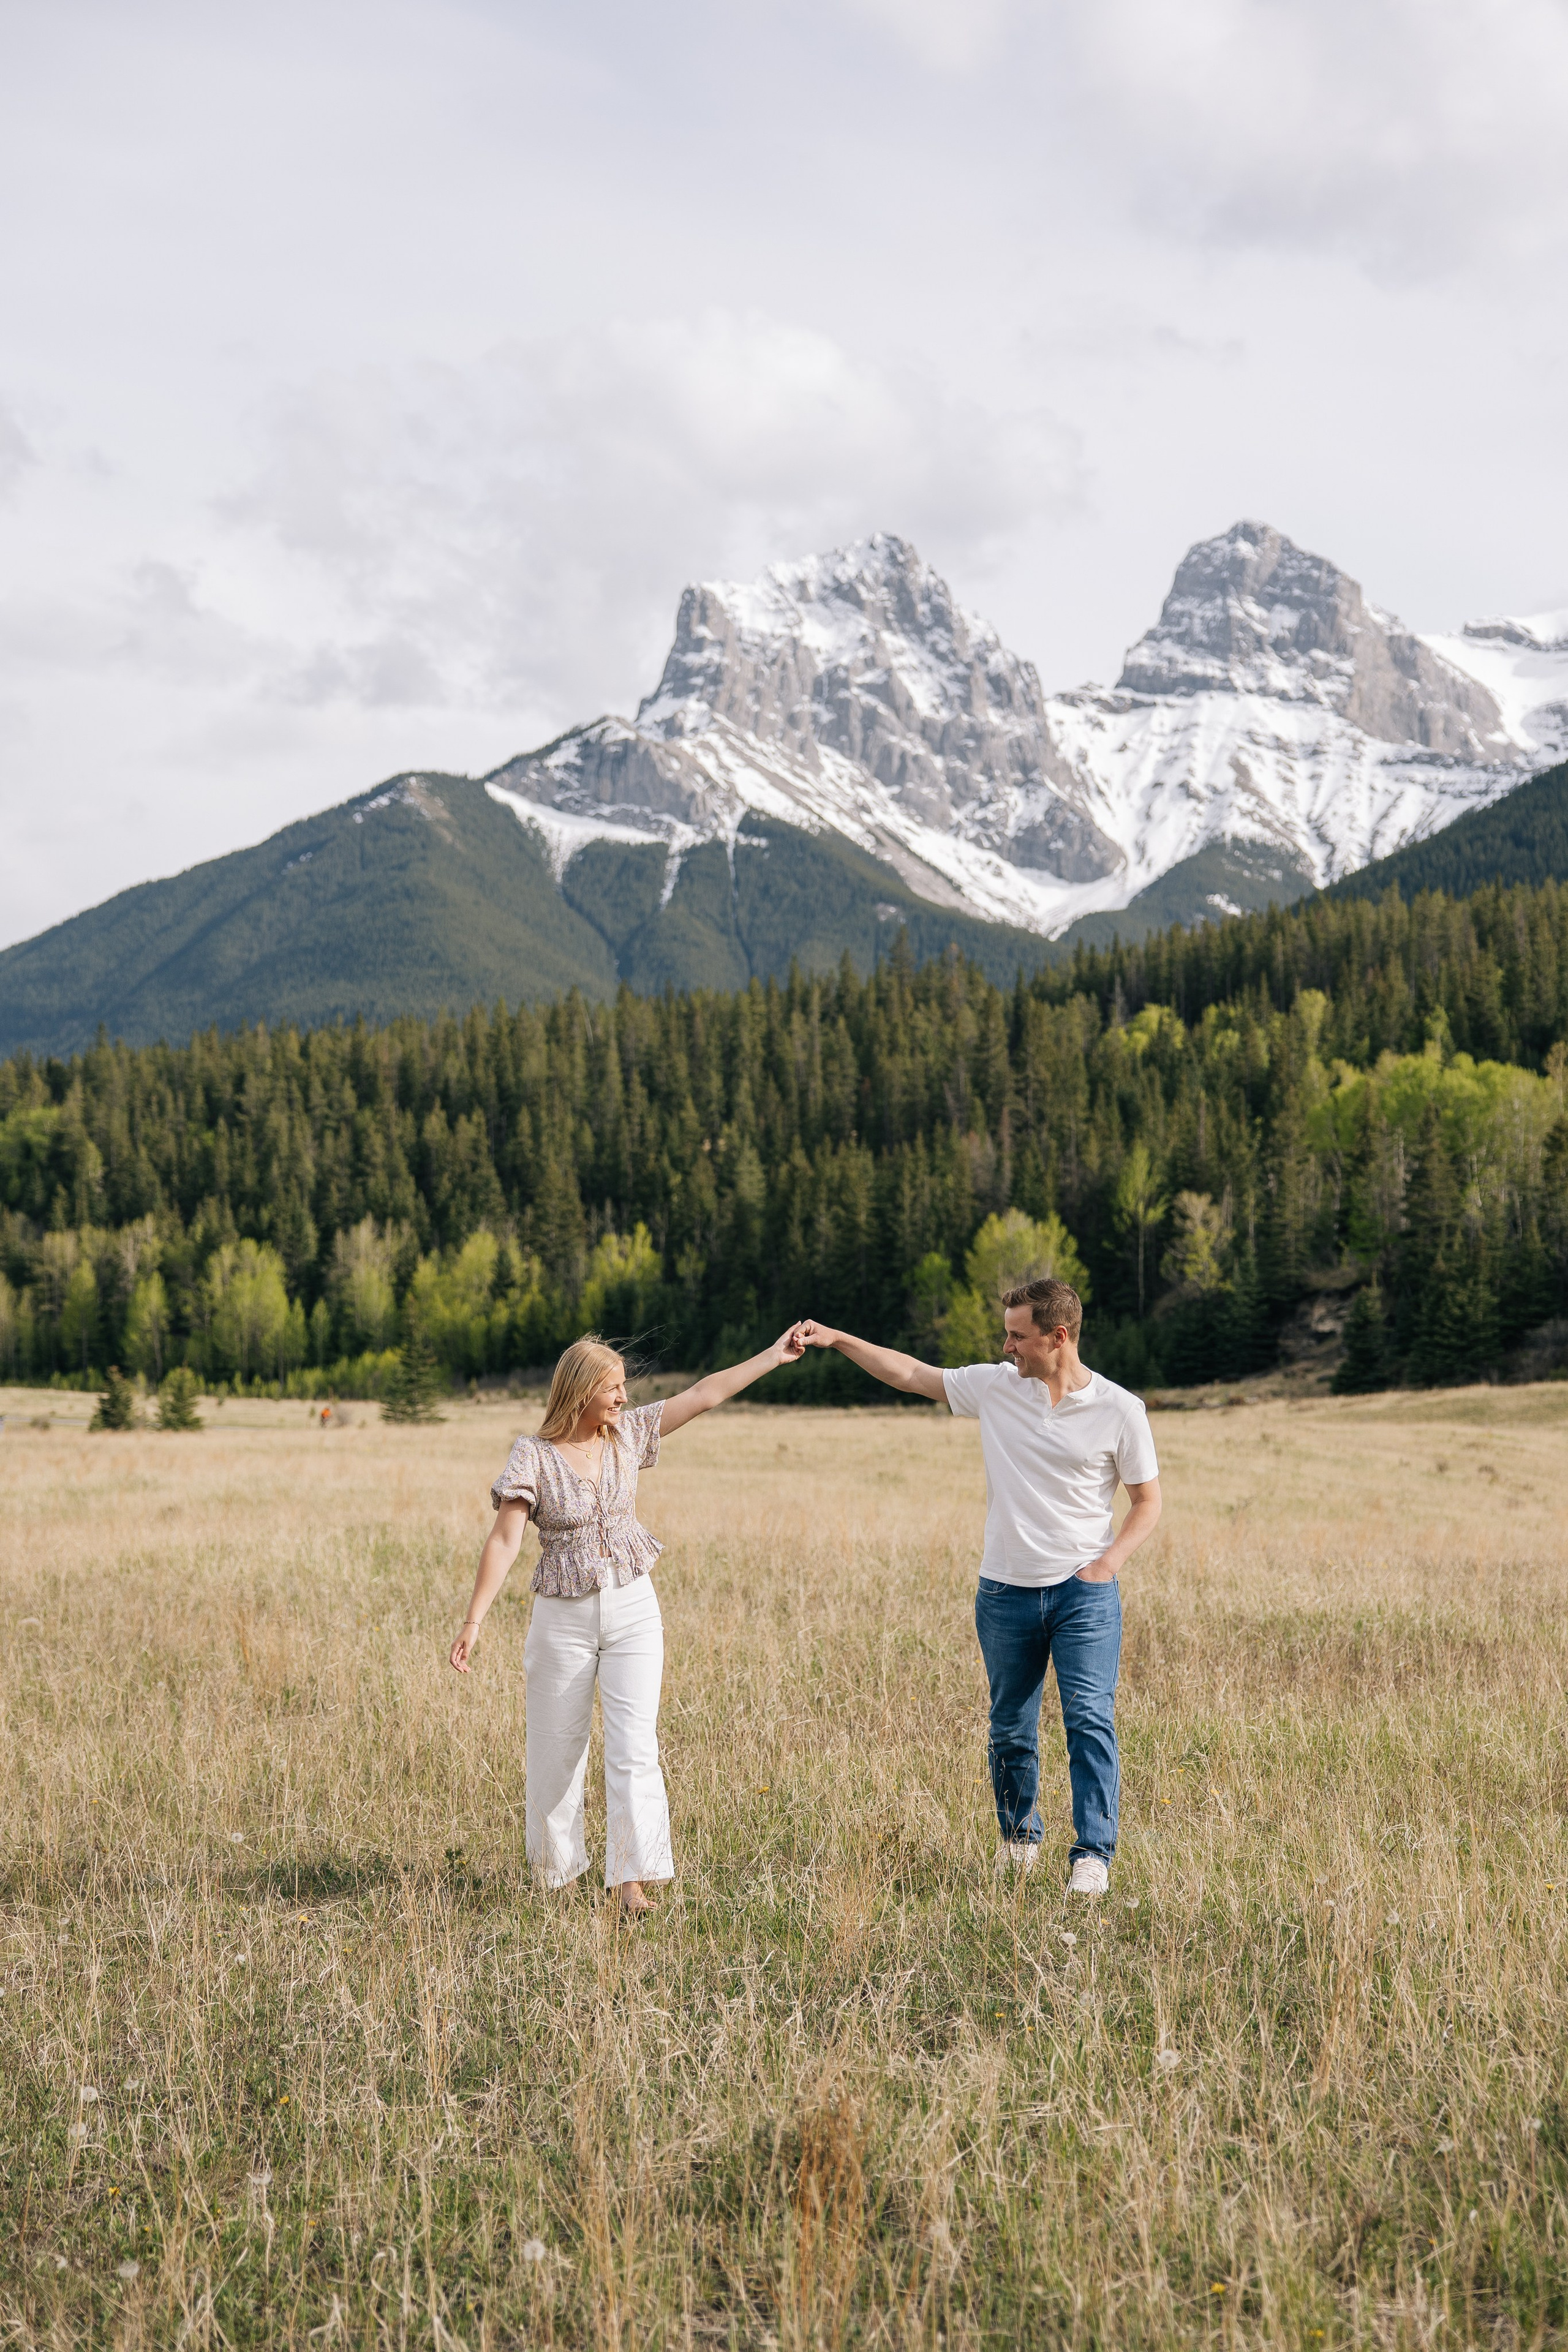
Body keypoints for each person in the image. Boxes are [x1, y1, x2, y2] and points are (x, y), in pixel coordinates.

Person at [801, 1278, 1160, 1894]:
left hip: (1083, 1595)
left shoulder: (1119, 1410)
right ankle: (1019, 1841)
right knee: (1010, 1728)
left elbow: (1146, 1502)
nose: (1007, 1345)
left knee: (1088, 1722)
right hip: (1004, 1592)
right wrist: (836, 1339)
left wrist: (1105, 1566)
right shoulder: (997, 1387)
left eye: (1018, 1336)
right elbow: (912, 1374)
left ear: (1058, 1337)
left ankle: (1092, 1856)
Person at [448, 1325, 806, 1913]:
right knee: (556, 1752)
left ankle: (630, 1881)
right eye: (612, 1388)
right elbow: (505, 1540)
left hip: (635, 1611)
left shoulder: (630, 1434)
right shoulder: (532, 1456)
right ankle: (558, 1880)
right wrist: (474, 1621)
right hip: (561, 1620)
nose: (622, 1398)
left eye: (623, 1387)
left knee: (635, 1747)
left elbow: (704, 1395)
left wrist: (773, 1355)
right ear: (580, 1391)